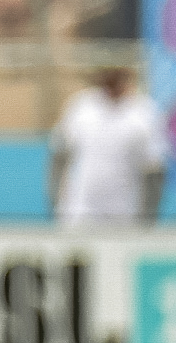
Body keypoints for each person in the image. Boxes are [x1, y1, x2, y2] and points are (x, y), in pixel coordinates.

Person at [47, 64, 165, 224]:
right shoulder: (81, 107)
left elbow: (154, 169)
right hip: (81, 210)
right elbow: (59, 156)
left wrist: (148, 216)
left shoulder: (144, 112)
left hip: (125, 212)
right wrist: (55, 201)